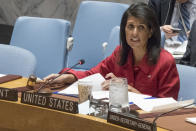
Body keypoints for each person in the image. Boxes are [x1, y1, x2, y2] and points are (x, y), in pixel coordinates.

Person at [43, 3, 180, 100]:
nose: (134, 33)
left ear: (150, 32)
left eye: (141, 28)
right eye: (130, 26)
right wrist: (69, 76)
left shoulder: (165, 62)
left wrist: (132, 93)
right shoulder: (120, 53)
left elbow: (168, 107)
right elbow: (92, 74)